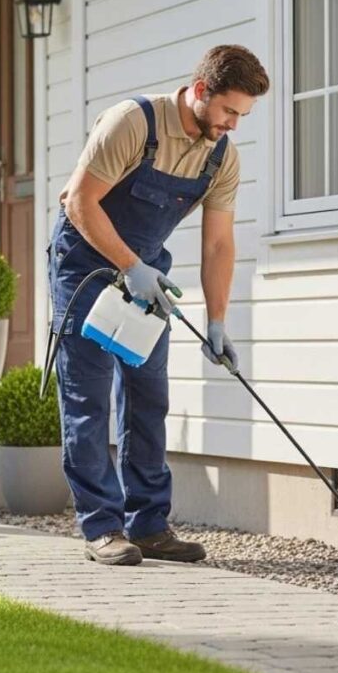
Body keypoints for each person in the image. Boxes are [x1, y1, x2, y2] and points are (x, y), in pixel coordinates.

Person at [50, 45, 269, 566]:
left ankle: (147, 524)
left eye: (242, 114)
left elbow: (218, 244)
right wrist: (130, 267)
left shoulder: (221, 156)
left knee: (148, 395)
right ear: (199, 91)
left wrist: (218, 321)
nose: (234, 124)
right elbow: (79, 202)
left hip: (145, 274)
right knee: (89, 398)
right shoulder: (133, 123)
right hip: (85, 266)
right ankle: (102, 528)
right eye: (229, 111)